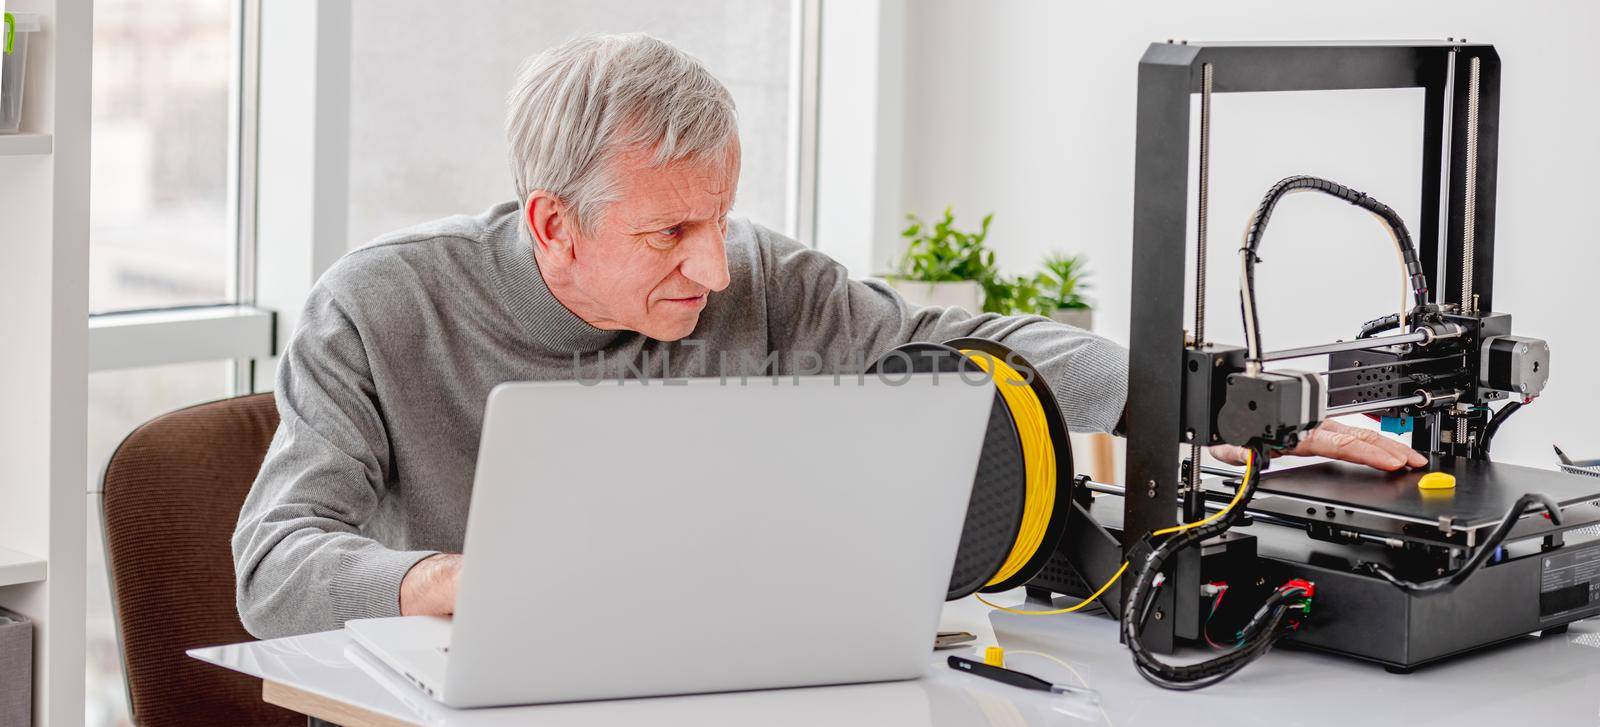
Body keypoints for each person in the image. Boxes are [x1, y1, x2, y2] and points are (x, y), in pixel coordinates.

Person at [232, 33, 1426, 639]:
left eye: (721, 216)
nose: (714, 265)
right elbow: (274, 566)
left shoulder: (756, 278)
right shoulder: (378, 309)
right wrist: (458, 581)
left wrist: (1218, 398)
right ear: (554, 224)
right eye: (669, 233)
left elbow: (976, 342)